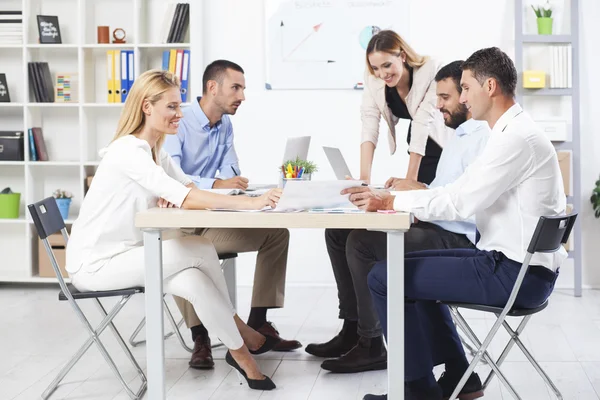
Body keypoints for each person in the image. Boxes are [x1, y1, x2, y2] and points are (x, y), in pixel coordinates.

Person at [348, 47, 566, 400]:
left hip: (515, 275)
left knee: (383, 277)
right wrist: (399, 199)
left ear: (490, 86)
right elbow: (459, 190)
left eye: (466, 88)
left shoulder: (514, 139)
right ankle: (458, 375)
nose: (463, 98)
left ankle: (416, 390)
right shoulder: (510, 132)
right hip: (513, 265)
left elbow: (460, 202)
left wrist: (392, 201)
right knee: (397, 271)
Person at [66, 70, 284, 391]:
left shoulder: (157, 152)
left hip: (129, 255)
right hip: (96, 264)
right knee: (197, 247)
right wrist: (251, 204)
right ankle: (240, 330)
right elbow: (187, 196)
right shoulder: (128, 152)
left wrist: (178, 196)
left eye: (179, 106)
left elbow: (187, 187)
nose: (179, 115)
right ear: (146, 107)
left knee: (194, 280)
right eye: (171, 107)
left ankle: (242, 356)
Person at [306, 61, 491, 379]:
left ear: (465, 95)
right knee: (339, 231)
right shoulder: (458, 135)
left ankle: (371, 343)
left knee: (362, 243)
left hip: (456, 238)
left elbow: (463, 205)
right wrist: (412, 191)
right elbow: (446, 190)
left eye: (445, 97)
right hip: (437, 223)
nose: (438, 105)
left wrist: (400, 201)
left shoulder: (480, 138)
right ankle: (353, 327)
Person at [163, 60, 301, 369]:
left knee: (276, 234)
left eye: (243, 88)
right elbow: (173, 176)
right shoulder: (177, 121)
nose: (242, 96)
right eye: (236, 88)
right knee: (180, 254)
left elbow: (232, 170)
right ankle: (200, 338)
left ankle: (259, 323)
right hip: (178, 222)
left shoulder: (224, 124)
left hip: (211, 221)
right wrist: (217, 183)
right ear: (213, 87)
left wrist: (232, 185)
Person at [359, 30, 453, 186]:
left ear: (402, 56)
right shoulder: (373, 79)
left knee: (436, 197)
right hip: (418, 148)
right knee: (420, 202)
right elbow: (369, 122)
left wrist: (410, 180)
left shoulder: (430, 70)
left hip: (442, 144)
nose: (382, 74)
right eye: (375, 68)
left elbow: (423, 120)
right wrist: (363, 181)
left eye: (386, 65)